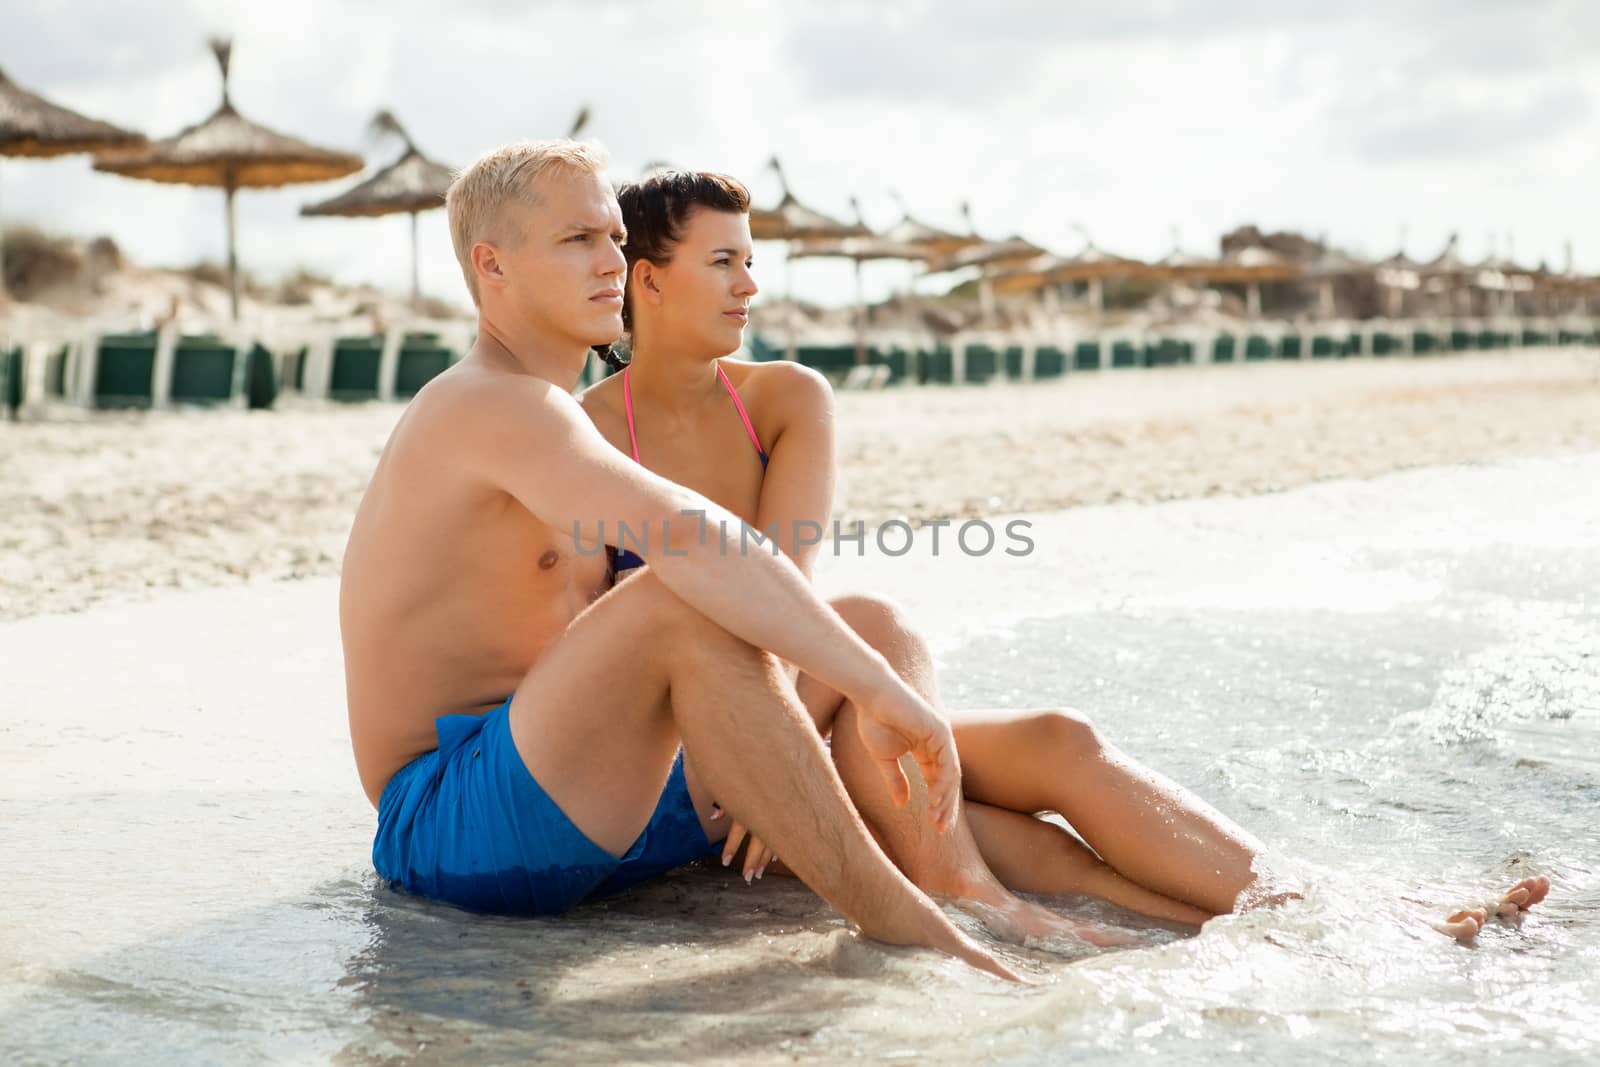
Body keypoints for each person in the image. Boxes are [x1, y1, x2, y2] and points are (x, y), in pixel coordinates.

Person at [578, 168, 1550, 942]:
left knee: (1057, 738)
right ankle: (1348, 917)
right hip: (679, 765)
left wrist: (778, 751)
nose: (751, 285)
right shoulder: (579, 434)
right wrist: (754, 767)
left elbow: (791, 586)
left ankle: (1342, 909)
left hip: (800, 695)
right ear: (647, 279)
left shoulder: (786, 400)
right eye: (723, 262)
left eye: (752, 260)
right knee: (963, 808)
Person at [339, 139, 1035, 979]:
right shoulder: (482, 405)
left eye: (614, 238)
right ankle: (911, 922)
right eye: (577, 241)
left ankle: (1142, 912)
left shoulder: (561, 417)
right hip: (456, 825)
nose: (612, 261)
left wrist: (854, 681)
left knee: (880, 630)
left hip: (601, 802)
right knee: (682, 600)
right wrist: (872, 689)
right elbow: (692, 536)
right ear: (493, 265)